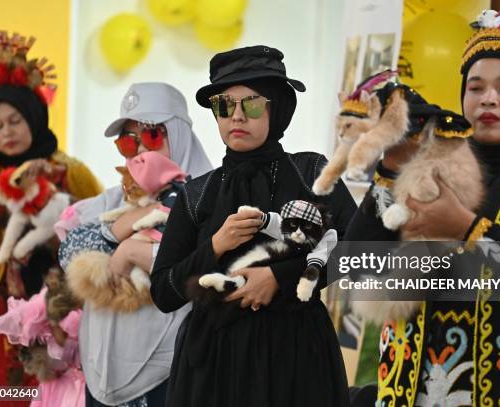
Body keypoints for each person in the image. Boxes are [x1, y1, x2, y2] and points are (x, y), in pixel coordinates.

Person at [345, 5, 500, 406]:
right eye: (475, 87)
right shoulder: (431, 170)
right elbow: (353, 266)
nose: (488, 99)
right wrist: (391, 169)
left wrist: (468, 230)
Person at [150, 45, 356, 407]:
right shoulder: (197, 194)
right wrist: (215, 246)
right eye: (224, 105)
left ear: (276, 108)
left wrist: (281, 277)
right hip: (213, 367)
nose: (237, 117)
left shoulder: (312, 174)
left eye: (252, 103)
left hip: (296, 358)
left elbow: (361, 251)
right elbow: (164, 292)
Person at [57, 82, 212, 406]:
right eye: (128, 142)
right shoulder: (113, 199)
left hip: (170, 376)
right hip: (100, 382)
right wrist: (120, 228)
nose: (140, 150)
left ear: (178, 134)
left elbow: (201, 269)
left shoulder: (210, 196)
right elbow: (68, 254)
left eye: (152, 135)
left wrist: (129, 251)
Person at [0, 29, 101, 389]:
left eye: (15, 121)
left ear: (34, 118)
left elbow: (94, 224)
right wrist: (16, 185)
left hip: (55, 299)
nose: (6, 132)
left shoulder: (68, 170)